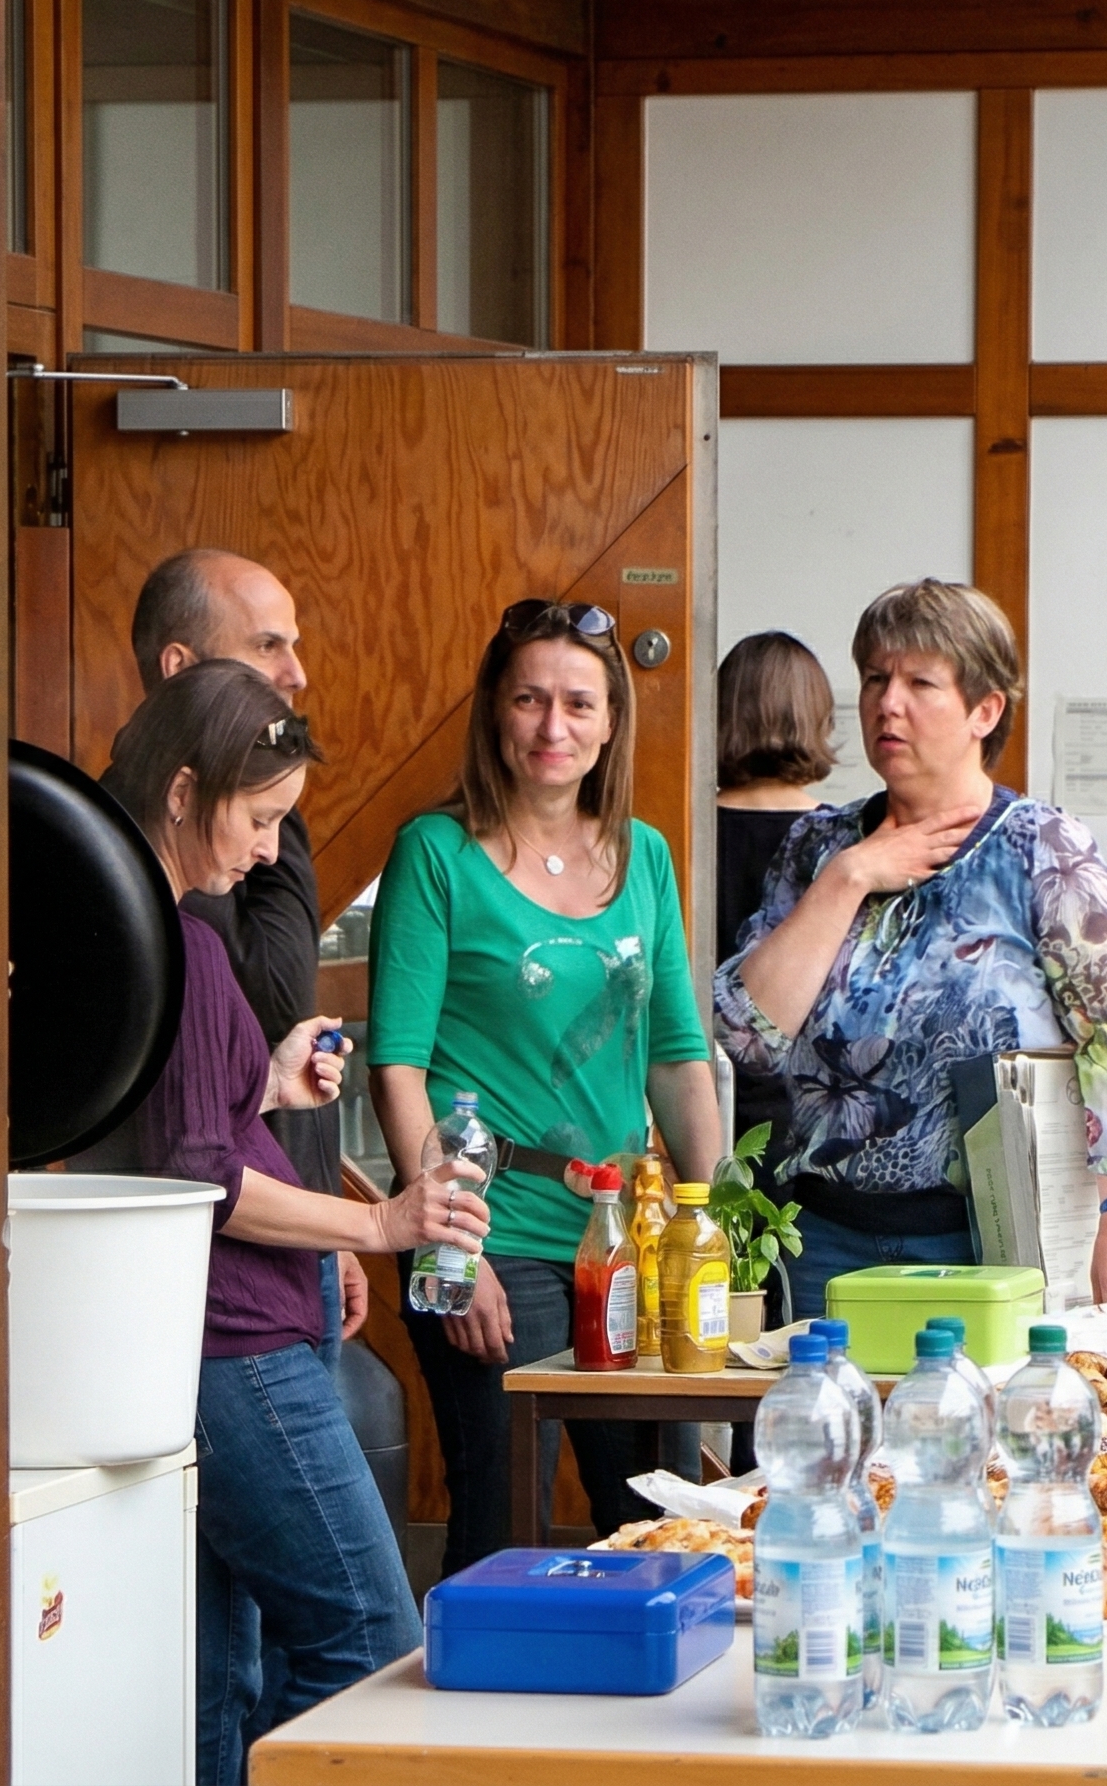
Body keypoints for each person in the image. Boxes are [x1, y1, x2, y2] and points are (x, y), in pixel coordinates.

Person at [89, 660, 476, 1786]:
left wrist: (262, 1086)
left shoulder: (148, 933)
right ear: (182, 790)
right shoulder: (191, 946)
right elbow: (201, 1177)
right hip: (242, 1347)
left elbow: (169, 1133)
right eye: (259, 819)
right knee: (372, 1645)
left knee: (217, 1673)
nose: (267, 850)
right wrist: (384, 1225)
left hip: (196, 1343)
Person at [364, 597, 723, 1575]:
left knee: (656, 1516)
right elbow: (396, 1061)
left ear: (611, 720)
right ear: (494, 711)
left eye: (577, 702)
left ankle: (648, 1715)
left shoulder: (643, 853)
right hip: (493, 1230)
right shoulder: (435, 854)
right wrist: (446, 1240)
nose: (552, 727)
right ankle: (477, 1722)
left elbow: (677, 1054)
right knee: (500, 1515)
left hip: (630, 1237)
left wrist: (718, 1217)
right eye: (529, 700)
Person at [715, 579, 1107, 1315]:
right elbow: (745, 1035)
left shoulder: (1043, 849)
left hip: (991, 1245)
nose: (887, 702)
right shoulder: (817, 846)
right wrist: (851, 876)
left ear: (985, 711)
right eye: (873, 679)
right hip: (825, 1238)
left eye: (920, 682)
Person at [131, 548, 363, 1371]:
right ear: (180, 669)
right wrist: (372, 1223)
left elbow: (216, 1078)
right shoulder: (154, 874)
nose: (295, 675)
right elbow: (269, 990)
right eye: (267, 647)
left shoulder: (226, 832)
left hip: (286, 1224)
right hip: (223, 1292)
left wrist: (323, 1207)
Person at [715, 630, 837, 1192]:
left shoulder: (675, 833)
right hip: (812, 1110)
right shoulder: (843, 841)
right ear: (817, 718)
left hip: (699, 1099)